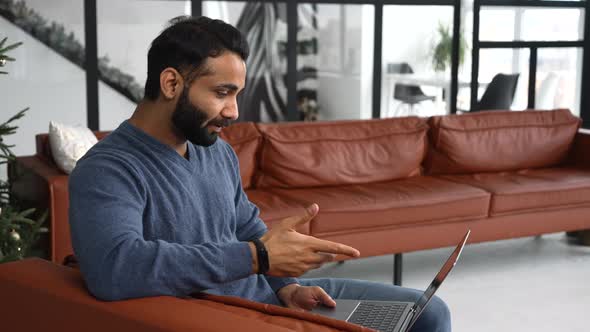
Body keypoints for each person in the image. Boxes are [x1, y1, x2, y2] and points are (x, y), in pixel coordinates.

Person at [69, 16, 451, 332]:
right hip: (224, 313)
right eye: (222, 93)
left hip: (271, 297)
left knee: (429, 313)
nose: (234, 112)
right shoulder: (107, 170)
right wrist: (256, 258)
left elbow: (246, 225)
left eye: (237, 95)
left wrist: (287, 286)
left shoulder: (215, 151)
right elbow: (114, 268)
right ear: (171, 83)